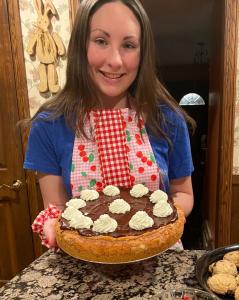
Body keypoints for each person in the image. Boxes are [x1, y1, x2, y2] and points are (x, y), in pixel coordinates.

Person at [24, 0, 195, 249]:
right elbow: (58, 210)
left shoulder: (168, 119)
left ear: (142, 53)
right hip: (85, 266)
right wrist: (52, 227)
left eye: (128, 45)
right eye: (101, 41)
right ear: (81, 46)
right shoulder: (49, 125)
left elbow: (184, 194)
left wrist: (153, 227)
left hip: (158, 259)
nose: (115, 60)